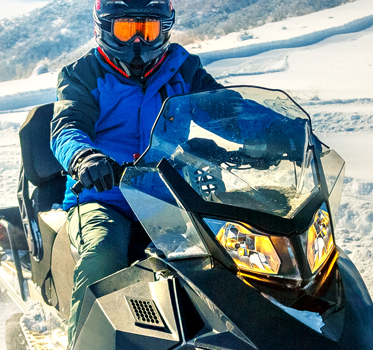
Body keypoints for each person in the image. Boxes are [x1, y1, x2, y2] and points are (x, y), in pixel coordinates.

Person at [48, 0, 222, 338]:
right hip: (104, 195)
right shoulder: (83, 74)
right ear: (104, 27)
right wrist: (84, 157)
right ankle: (86, 342)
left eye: (148, 29)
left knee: (234, 251)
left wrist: (273, 135)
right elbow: (67, 126)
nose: (138, 43)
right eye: (128, 30)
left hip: (171, 195)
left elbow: (226, 110)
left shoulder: (184, 70)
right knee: (102, 256)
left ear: (165, 28)